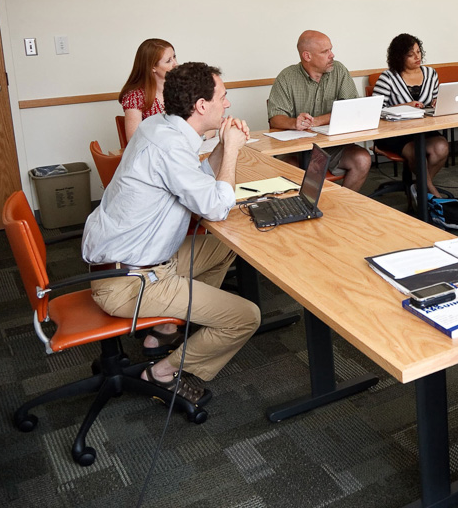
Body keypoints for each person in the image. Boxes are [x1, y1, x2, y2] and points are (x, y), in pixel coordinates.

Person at [83, 62, 261, 406]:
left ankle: (170, 326)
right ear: (201, 106)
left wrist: (222, 145)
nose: (227, 104)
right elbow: (216, 206)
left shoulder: (159, 127)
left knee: (223, 247)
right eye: (223, 97)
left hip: (127, 262)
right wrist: (235, 151)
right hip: (131, 282)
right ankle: (162, 373)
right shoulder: (169, 145)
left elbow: (197, 179)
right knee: (246, 318)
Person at [267, 30, 372, 191]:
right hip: (297, 149)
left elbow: (351, 109)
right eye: (325, 51)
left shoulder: (339, 70)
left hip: (334, 146)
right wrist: (293, 123)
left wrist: (317, 121)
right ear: (307, 56)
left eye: (331, 49)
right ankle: (304, 210)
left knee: (362, 159)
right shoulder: (287, 77)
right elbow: (275, 118)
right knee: (287, 167)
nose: (332, 55)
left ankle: (342, 207)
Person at [371, 34, 450, 201]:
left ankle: (419, 186)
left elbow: (432, 101)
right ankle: (430, 191)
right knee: (417, 152)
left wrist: (437, 102)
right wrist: (404, 106)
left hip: (423, 129)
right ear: (399, 57)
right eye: (410, 54)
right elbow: (375, 111)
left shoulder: (430, 74)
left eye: (419, 51)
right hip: (395, 133)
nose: (417, 57)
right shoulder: (388, 78)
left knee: (442, 147)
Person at [119, 38, 177, 141]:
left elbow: (206, 127)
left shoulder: (180, 89)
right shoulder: (136, 97)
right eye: (169, 61)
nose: (175, 64)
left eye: (174, 57)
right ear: (153, 67)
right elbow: (134, 140)